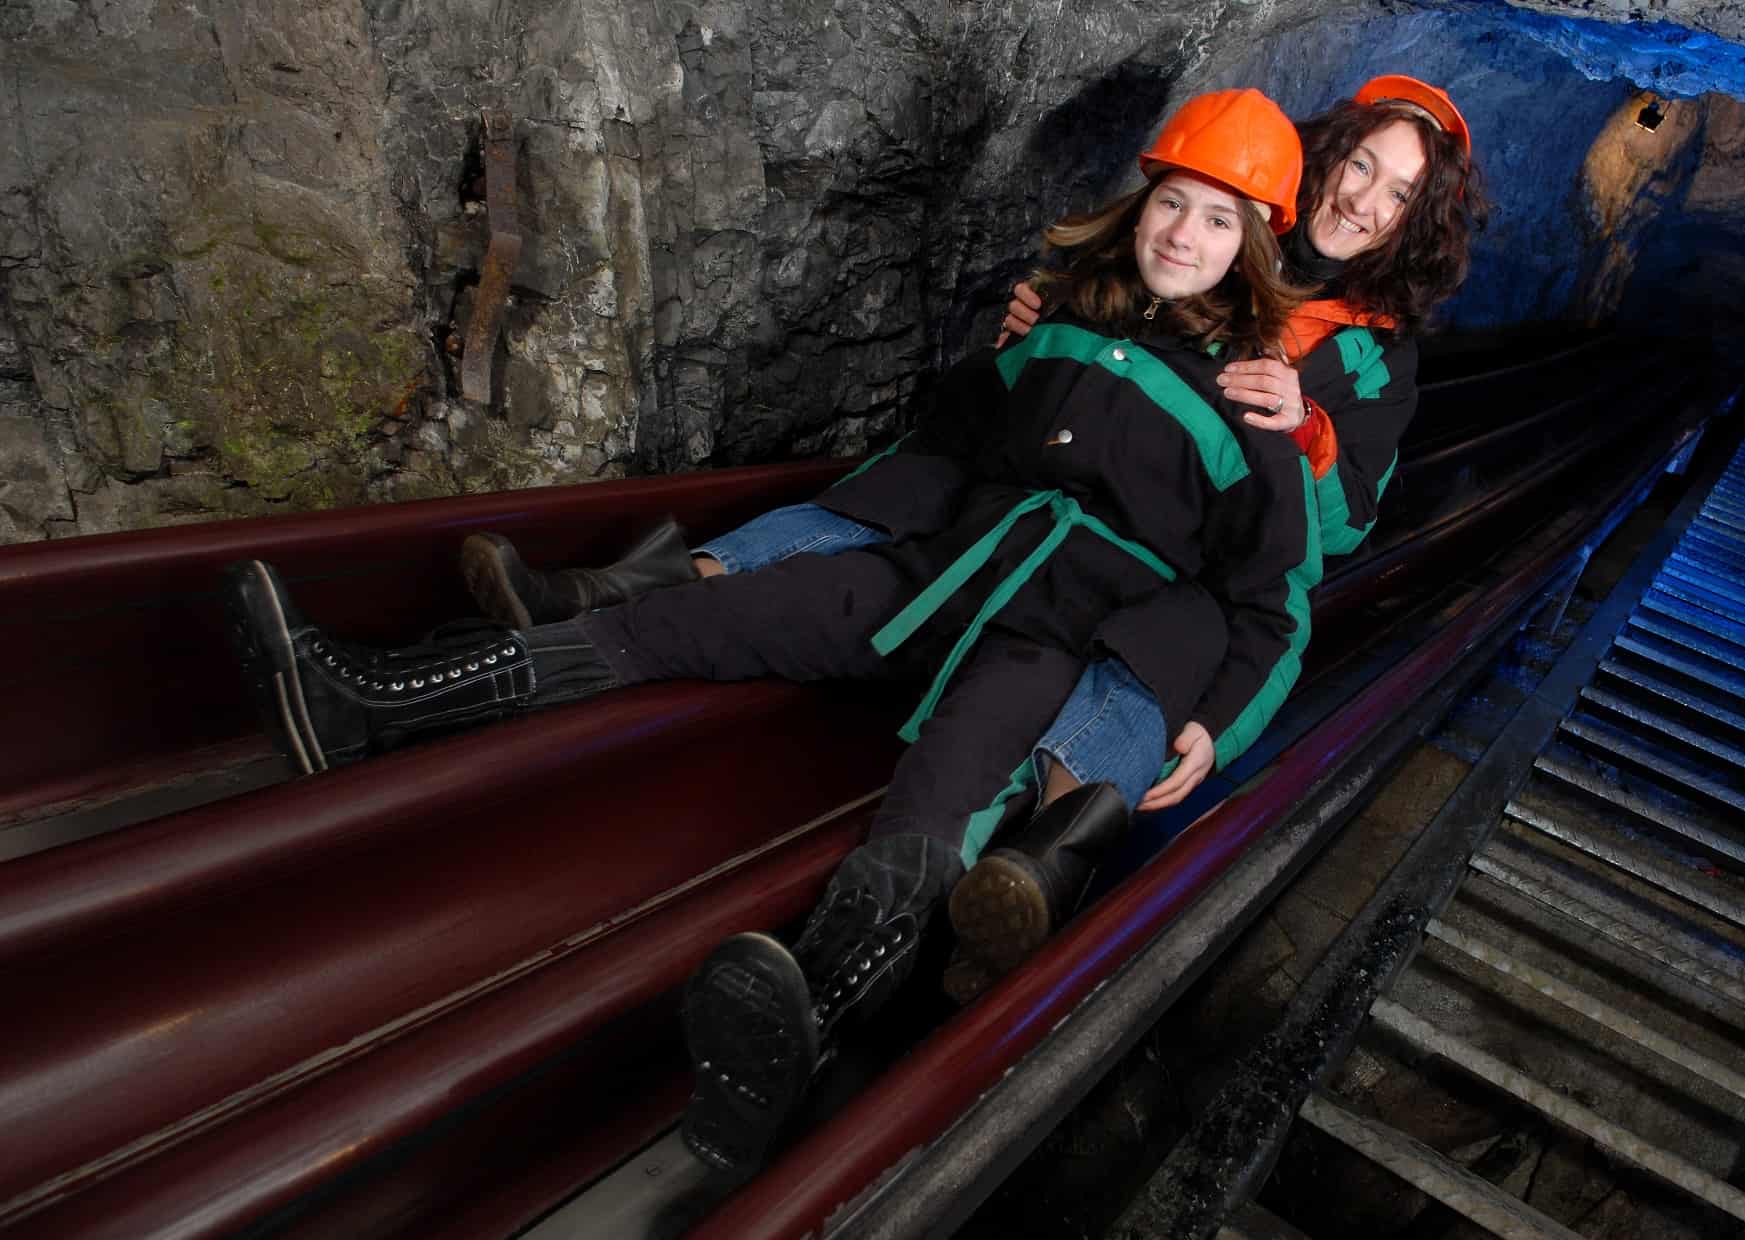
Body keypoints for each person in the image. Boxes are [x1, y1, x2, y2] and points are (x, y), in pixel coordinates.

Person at [226, 86, 1327, 1176]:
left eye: (1220, 219)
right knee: (692, 621)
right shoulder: (1058, 326)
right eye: (1172, 204)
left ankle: (802, 1033)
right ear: (1139, 207)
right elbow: (953, 446)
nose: (1184, 234)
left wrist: (1217, 723)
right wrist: (982, 367)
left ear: (1253, 250)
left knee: (940, 805)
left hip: (1046, 638)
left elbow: (1272, 606)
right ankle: (374, 703)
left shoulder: (1250, 412)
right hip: (931, 579)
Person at [453, 76, 1486, 999]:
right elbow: (1004, 405)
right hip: (1017, 533)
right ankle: (597, 602)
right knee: (902, 504)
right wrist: (1049, 336)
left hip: (1149, 569)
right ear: (1319, 163)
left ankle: (1050, 848)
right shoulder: (1158, 270)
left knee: (1148, 650)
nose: (1364, 199)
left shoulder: (1365, 358)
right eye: (1360, 166)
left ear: (1410, 224)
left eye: (1398, 194)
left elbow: (1321, 542)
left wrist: (1299, 426)